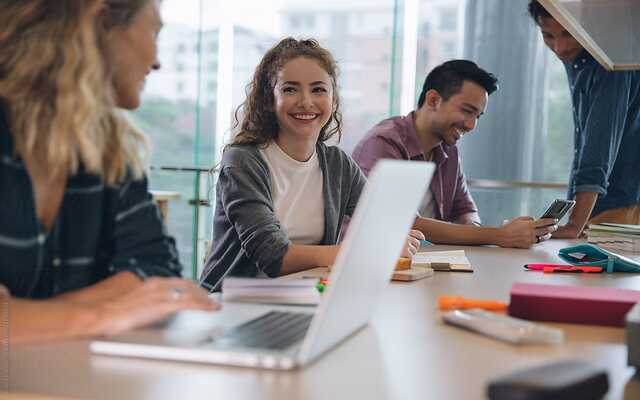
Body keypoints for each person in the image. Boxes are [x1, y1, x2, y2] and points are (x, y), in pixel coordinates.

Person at [0, 0, 218, 344]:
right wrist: (105, 313)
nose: (157, 61)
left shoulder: (109, 149)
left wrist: (30, 317)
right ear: (100, 22)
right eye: (154, 32)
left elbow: (157, 268)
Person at [201, 38, 423, 289]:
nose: (306, 101)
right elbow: (273, 256)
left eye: (318, 89)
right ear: (269, 99)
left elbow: (384, 223)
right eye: (290, 89)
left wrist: (394, 237)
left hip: (303, 298)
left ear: (333, 99)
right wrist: (372, 250)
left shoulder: (337, 165)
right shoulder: (243, 161)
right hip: (229, 305)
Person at [352, 60, 557, 248]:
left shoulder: (448, 150)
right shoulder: (383, 143)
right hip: (372, 264)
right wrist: (499, 235)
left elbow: (465, 210)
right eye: (467, 111)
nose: (472, 125)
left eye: (478, 116)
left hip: (424, 264)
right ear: (433, 100)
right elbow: (403, 222)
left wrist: (478, 228)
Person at [528, 1, 640, 237]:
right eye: (548, 35)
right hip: (599, 207)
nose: (559, 47)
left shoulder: (609, 58)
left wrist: (574, 226)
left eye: (568, 34)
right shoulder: (579, 59)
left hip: (620, 207)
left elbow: (597, 145)